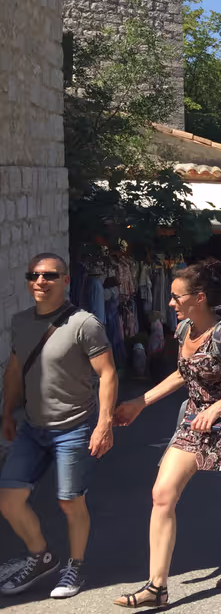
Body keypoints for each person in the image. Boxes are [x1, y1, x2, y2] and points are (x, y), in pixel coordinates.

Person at [112, 259, 221, 608]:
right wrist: (142, 401)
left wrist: (220, 406)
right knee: (162, 495)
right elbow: (184, 374)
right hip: (193, 423)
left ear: (199, 298)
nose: (171, 303)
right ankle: (157, 587)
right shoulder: (184, 330)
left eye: (176, 297)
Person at [0, 253, 117, 599]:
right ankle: (42, 557)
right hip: (33, 428)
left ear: (65, 281)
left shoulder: (84, 324)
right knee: (8, 499)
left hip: (74, 427)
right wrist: (7, 412)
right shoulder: (20, 321)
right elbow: (15, 369)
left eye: (49, 276)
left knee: (70, 501)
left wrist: (104, 424)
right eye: (33, 275)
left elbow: (108, 373)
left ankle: (75, 567)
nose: (40, 281)